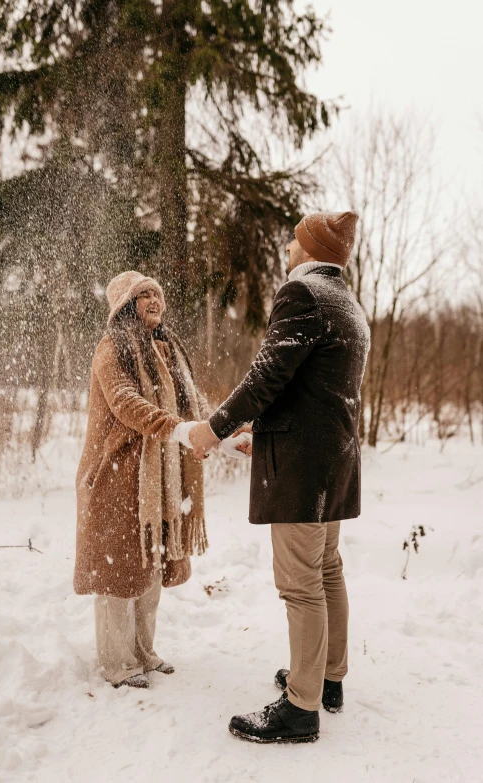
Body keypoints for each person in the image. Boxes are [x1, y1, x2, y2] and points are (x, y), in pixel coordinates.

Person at [189, 211, 371, 743]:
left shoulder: (302, 294)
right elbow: (310, 390)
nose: (288, 246)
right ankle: (327, 679)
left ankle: (301, 707)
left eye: (294, 238)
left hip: (304, 471)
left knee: (301, 585)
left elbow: (268, 375)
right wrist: (264, 434)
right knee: (328, 571)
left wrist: (214, 429)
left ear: (311, 248)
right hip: (333, 460)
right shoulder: (349, 306)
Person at [74, 270, 209, 689]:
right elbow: (126, 403)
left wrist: (221, 433)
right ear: (124, 306)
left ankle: (144, 651)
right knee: (119, 574)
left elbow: (195, 408)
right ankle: (117, 663)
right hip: (114, 477)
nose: (154, 300)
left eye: (157, 293)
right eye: (143, 294)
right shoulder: (110, 350)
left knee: (151, 567)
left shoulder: (168, 352)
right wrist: (180, 430)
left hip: (158, 480)